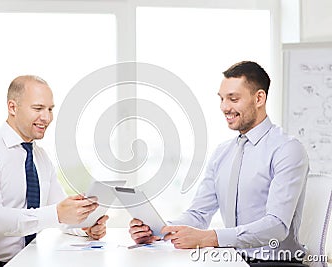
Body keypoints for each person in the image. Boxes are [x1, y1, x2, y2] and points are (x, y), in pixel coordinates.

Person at [129, 61, 309, 265]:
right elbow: (199, 214)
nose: (224, 107)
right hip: (232, 259)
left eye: (233, 98)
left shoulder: (287, 149)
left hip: (276, 263)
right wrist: (160, 231)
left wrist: (209, 238)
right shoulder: (223, 153)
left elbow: (276, 226)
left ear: (259, 98)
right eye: (222, 99)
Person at [0, 75, 108, 267]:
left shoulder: (40, 157)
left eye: (50, 109)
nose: (47, 117)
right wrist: (57, 213)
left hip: (29, 261)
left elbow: (59, 213)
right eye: (38, 108)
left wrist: (85, 227)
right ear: (12, 107)